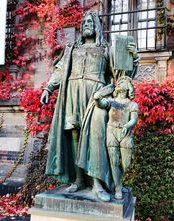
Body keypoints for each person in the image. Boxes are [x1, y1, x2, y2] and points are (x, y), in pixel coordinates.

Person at [40, 10, 139, 201]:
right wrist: (48, 88)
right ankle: (78, 180)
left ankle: (97, 183)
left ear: (97, 26)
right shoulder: (72, 49)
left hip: (96, 96)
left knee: (96, 137)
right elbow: (60, 71)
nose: (86, 24)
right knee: (74, 135)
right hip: (73, 93)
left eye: (90, 22)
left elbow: (121, 76)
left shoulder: (105, 49)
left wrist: (133, 57)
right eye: (84, 22)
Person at [94, 76, 139, 200]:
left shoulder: (132, 104)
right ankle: (118, 187)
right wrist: (97, 99)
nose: (119, 84)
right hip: (111, 131)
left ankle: (119, 182)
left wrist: (128, 125)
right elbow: (101, 104)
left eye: (122, 82)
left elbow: (134, 119)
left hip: (125, 133)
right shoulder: (111, 101)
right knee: (114, 162)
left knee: (126, 163)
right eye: (118, 83)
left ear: (128, 87)